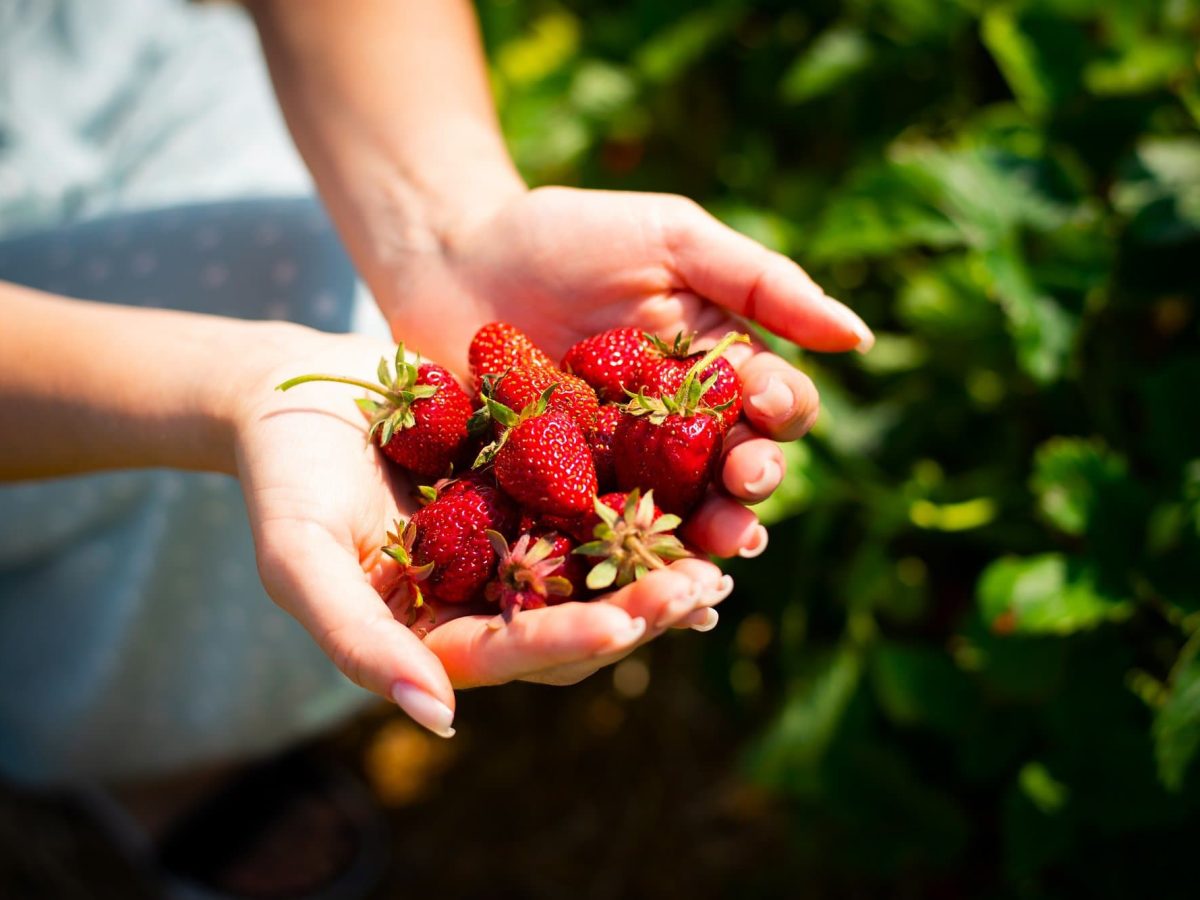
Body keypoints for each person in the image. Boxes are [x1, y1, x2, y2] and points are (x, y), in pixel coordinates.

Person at [0, 0, 870, 795]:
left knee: (352, 303)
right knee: (305, 432)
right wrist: (229, 387)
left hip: (130, 64)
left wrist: (449, 234)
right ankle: (155, 759)